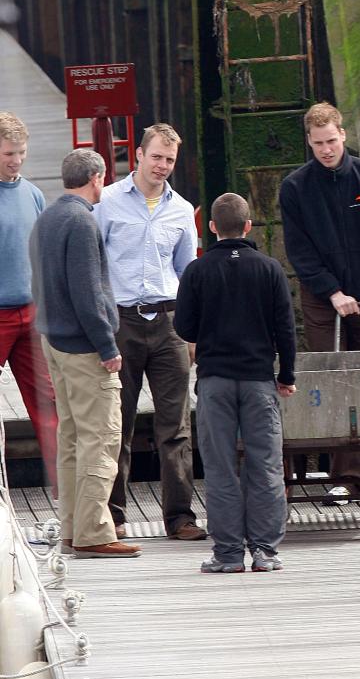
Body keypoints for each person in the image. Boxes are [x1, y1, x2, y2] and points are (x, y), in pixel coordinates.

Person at [279, 101, 360, 498]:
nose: (326, 150)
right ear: (309, 142)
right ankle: (347, 476)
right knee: (333, 379)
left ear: (344, 135)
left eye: (331, 141)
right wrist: (332, 291)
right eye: (318, 143)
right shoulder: (295, 187)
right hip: (322, 298)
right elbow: (298, 250)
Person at [95, 123, 205, 541]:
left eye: (170, 160)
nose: (162, 166)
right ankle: (114, 514)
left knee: (175, 424)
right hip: (121, 321)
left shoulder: (182, 210)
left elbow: (187, 273)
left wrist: (191, 332)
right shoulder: (105, 203)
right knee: (116, 422)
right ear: (138, 155)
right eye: (157, 157)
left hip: (169, 322)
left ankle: (179, 516)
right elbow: (95, 266)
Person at [174, 193, 296, 573]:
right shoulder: (269, 268)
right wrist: (286, 375)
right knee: (265, 465)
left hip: (215, 381)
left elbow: (184, 326)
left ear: (211, 228)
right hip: (259, 380)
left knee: (221, 467)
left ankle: (228, 554)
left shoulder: (197, 271)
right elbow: (286, 330)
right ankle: (264, 551)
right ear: (248, 226)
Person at [29, 149, 141, 558]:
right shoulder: (81, 221)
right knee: (102, 437)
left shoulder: (46, 219)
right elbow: (89, 292)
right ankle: (95, 531)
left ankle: (73, 527)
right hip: (82, 346)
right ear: (98, 177)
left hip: (53, 340)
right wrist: (107, 345)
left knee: (73, 437)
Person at [0, 112, 58, 497]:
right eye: (8, 153)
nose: (16, 160)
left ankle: (63, 482)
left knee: (48, 401)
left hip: (31, 313)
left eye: (20, 152)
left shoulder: (34, 194)